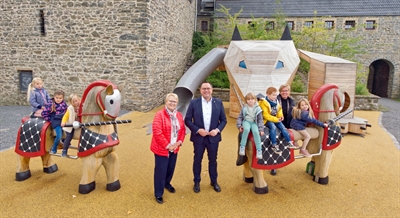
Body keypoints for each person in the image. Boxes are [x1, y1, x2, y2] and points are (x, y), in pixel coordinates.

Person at [185, 82, 227, 193]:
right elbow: (187, 120)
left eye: (208, 88)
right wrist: (198, 130)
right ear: (200, 90)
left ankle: (214, 181)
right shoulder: (194, 103)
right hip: (199, 138)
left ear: (212, 90)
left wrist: (217, 130)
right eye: (204, 88)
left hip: (213, 138)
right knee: (197, 160)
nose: (206, 90)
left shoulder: (218, 102)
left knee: (213, 160)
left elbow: (223, 120)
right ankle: (197, 182)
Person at [150, 93, 186, 204]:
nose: (172, 103)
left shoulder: (179, 115)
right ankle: (158, 193)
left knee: (170, 168)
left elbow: (182, 130)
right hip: (162, 149)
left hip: (174, 148)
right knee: (161, 171)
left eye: (174, 101)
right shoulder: (159, 115)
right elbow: (157, 132)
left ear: (177, 103)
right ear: (166, 102)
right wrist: (168, 145)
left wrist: (179, 142)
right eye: (170, 101)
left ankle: (167, 183)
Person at [259, 87, 294, 155]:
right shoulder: (264, 103)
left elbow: (279, 109)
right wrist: (276, 119)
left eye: (276, 95)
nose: (275, 97)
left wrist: (280, 116)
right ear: (267, 94)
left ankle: (289, 142)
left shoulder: (276, 101)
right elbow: (266, 115)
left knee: (282, 127)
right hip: (267, 120)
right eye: (273, 95)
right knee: (273, 127)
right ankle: (274, 144)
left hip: (275, 118)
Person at [270, 84, 296, 175]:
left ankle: (282, 161)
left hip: (287, 125)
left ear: (289, 91)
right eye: (283, 91)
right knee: (276, 144)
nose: (285, 92)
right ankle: (273, 166)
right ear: (280, 92)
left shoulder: (291, 101)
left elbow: (294, 114)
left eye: (286, 90)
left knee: (284, 143)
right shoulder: (275, 99)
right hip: (276, 123)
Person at [236, 92, 264, 159]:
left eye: (252, 99)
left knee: (256, 132)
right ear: (246, 101)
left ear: (255, 100)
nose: (250, 100)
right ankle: (242, 146)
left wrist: (261, 129)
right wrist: (239, 125)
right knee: (246, 129)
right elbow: (240, 117)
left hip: (254, 122)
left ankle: (259, 150)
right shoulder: (244, 108)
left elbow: (260, 120)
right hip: (246, 121)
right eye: (248, 99)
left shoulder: (258, 108)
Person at [41, 90, 68, 154]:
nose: (58, 99)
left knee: (69, 131)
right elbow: (44, 113)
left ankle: (65, 142)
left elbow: (67, 111)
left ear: (63, 98)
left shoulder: (64, 104)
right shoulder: (51, 104)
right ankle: (54, 147)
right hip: (56, 121)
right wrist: (51, 120)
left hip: (63, 120)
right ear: (54, 97)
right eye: (57, 98)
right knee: (59, 135)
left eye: (60, 98)